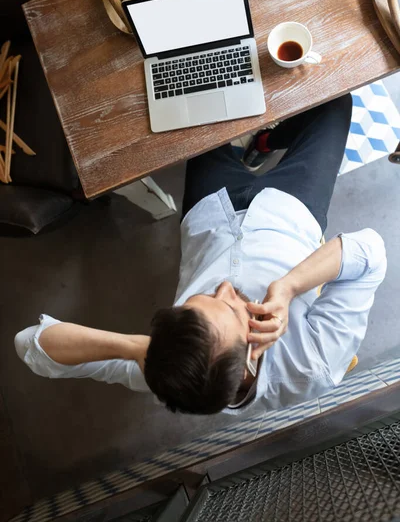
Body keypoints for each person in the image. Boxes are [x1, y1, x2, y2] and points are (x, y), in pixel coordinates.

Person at [15, 95, 387, 417]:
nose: (224, 286)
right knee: (335, 105)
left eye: (203, 297)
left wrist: (143, 349)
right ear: (249, 361)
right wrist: (288, 287)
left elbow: (30, 342)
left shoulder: (166, 369)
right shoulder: (313, 364)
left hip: (212, 211)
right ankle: (269, 139)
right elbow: (370, 252)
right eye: (228, 306)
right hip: (291, 210)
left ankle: (264, 141)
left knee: (197, 113)